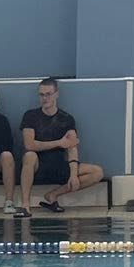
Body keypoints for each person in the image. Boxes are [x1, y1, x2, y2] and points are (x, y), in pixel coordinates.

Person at [18, 76, 104, 214]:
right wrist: (59, 143)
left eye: (48, 94)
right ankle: (25, 205)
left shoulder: (66, 119)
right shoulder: (30, 116)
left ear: (56, 94)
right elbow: (29, 144)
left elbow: (72, 147)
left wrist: (73, 175)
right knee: (29, 156)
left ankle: (53, 195)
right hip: (37, 166)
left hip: (58, 165)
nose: (45, 98)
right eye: (41, 95)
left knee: (97, 172)